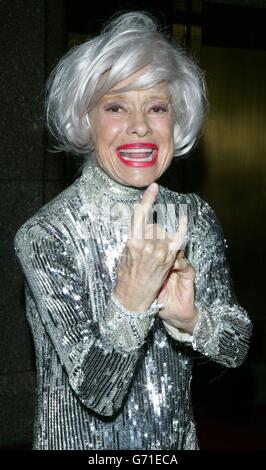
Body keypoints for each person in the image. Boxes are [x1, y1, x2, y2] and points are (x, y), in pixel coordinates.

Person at [14, 12, 252, 450]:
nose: (140, 124)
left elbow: (236, 347)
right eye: (116, 106)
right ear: (85, 122)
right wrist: (132, 297)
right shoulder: (48, 233)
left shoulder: (194, 216)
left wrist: (191, 320)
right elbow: (98, 395)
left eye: (157, 107)